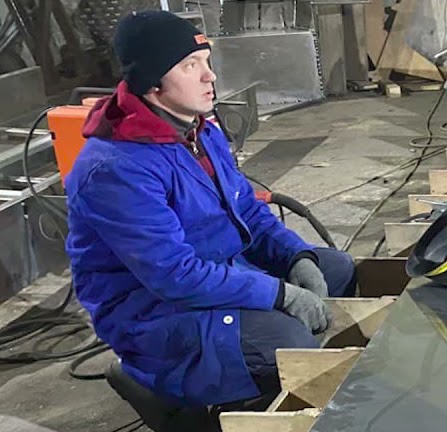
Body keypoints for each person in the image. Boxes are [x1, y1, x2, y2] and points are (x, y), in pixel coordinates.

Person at [65, 10, 356, 408]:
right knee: (287, 341)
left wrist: (296, 258)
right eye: (190, 65)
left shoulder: (200, 130)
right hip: (156, 311)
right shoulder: (116, 168)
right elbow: (174, 275)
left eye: (206, 61)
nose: (210, 76)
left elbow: (247, 212)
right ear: (152, 81)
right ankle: (206, 405)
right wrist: (279, 295)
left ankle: (304, 374)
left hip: (218, 274)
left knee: (334, 268)